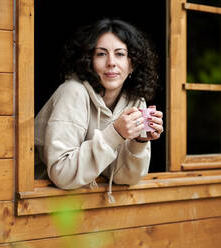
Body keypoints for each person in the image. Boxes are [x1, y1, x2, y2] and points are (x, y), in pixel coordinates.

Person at [34, 18, 163, 203]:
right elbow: (61, 173)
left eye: (119, 54)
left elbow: (126, 179)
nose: (111, 62)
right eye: (101, 54)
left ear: (132, 63)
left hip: (91, 207)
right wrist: (115, 133)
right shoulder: (73, 92)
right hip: (45, 204)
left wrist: (139, 141)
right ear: (89, 60)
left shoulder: (135, 102)